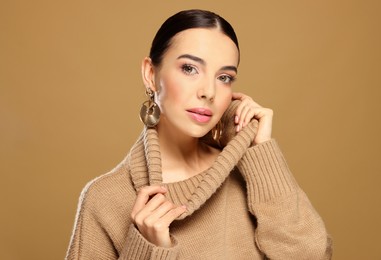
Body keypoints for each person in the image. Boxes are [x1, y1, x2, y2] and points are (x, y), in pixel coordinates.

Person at [66, 9, 332, 259]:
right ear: (150, 74)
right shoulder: (106, 197)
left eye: (224, 77)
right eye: (190, 69)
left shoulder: (250, 175)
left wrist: (259, 150)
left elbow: (313, 255)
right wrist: (150, 250)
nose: (209, 92)